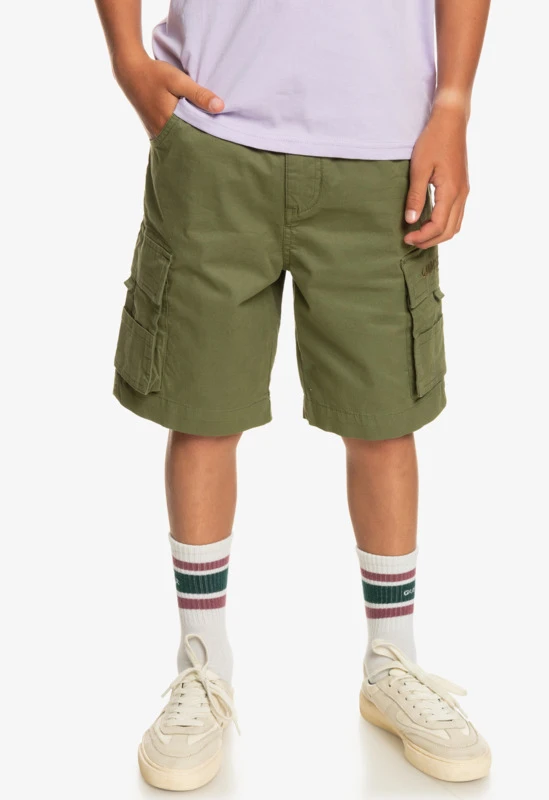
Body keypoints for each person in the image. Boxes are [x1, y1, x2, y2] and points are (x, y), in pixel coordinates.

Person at [96, 0, 491, 790]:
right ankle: (202, 666)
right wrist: (128, 60)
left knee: (384, 419)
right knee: (203, 413)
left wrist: (453, 103)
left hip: (381, 145)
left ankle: (392, 660)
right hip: (215, 133)